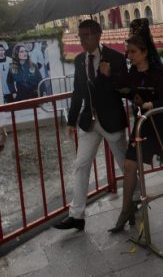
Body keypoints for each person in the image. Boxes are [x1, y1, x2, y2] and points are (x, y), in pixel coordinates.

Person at [109, 18, 163, 232]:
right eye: (128, 52)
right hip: (142, 125)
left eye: (133, 52)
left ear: (144, 53)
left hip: (162, 123)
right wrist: (128, 93)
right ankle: (125, 210)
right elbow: (124, 89)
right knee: (129, 165)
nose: (129, 56)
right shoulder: (132, 74)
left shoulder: (159, 74)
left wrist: (151, 103)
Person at [54, 19, 130, 231]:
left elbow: (124, 88)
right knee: (81, 164)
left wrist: (109, 76)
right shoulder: (79, 60)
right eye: (81, 36)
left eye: (88, 36)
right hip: (89, 121)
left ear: (98, 36)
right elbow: (78, 91)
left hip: (111, 119)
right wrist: (71, 120)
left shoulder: (115, 58)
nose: (84, 40)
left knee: (125, 165)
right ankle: (77, 214)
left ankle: (135, 201)